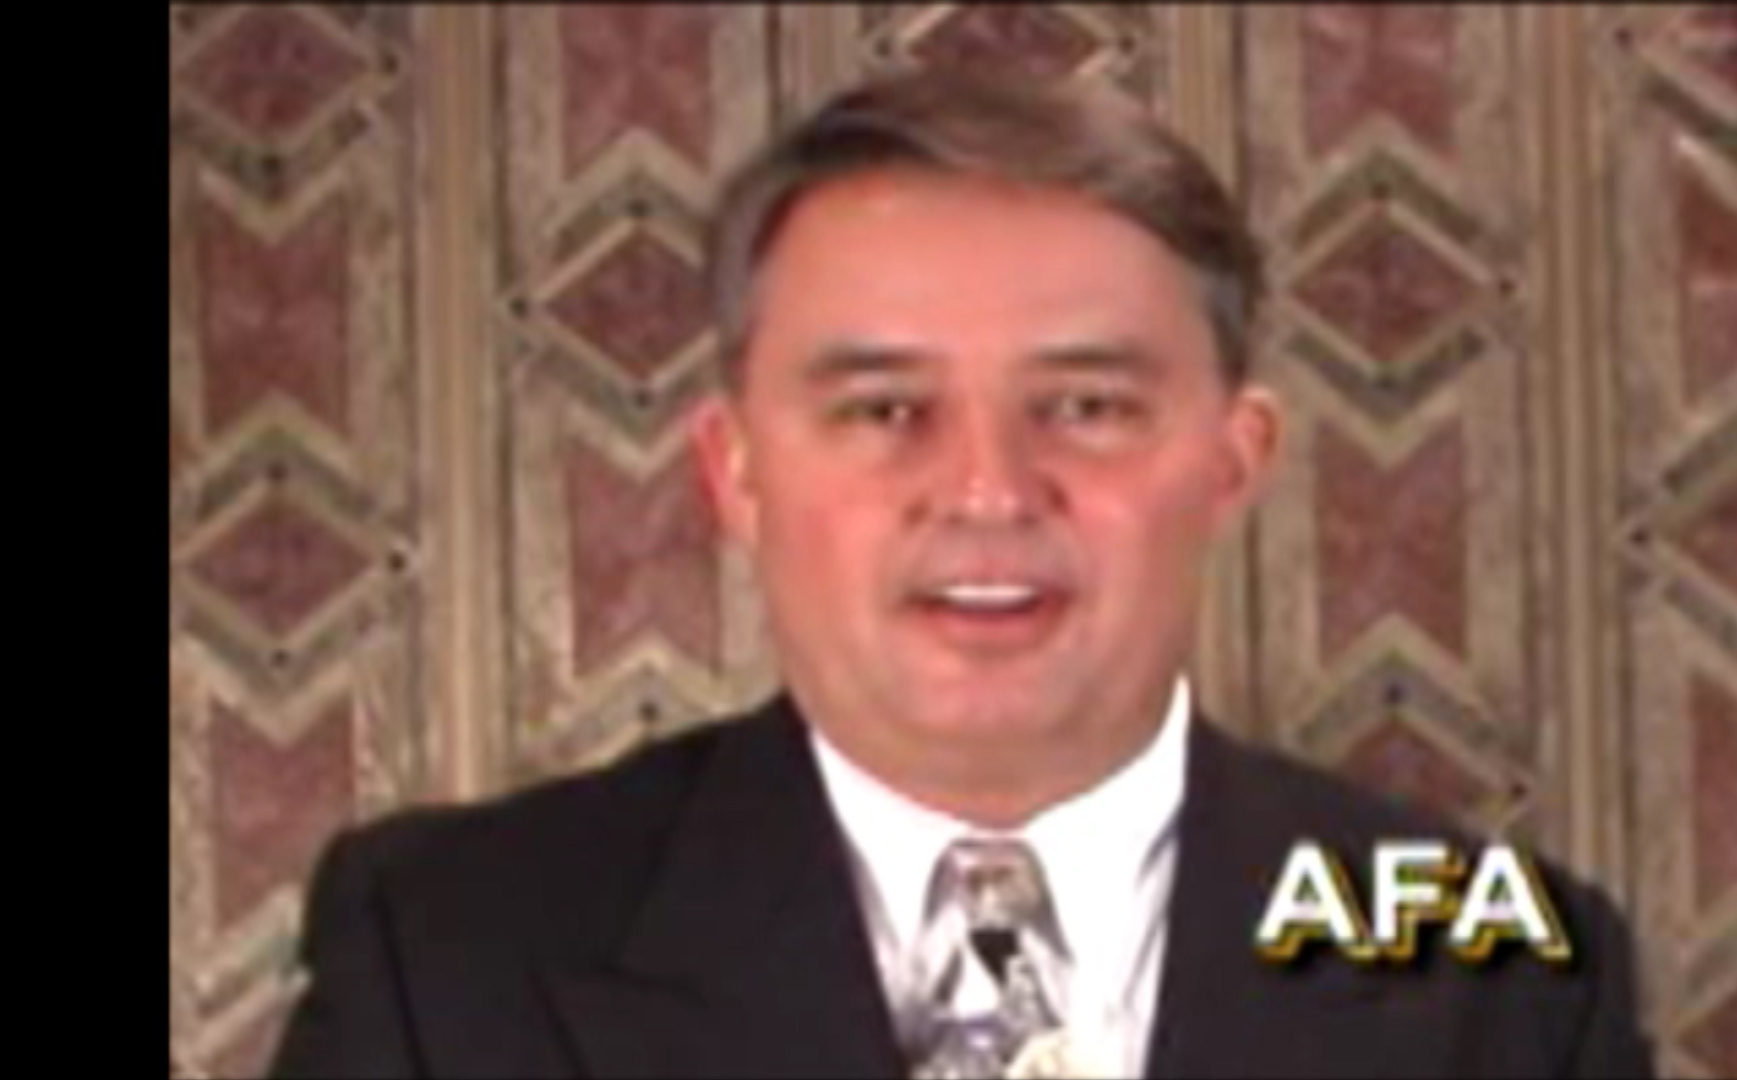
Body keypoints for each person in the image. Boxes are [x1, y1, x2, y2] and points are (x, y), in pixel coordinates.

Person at [269, 69, 1654, 1079]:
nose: (988, 490)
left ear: (1234, 462)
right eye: (885, 411)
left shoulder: (1496, 963)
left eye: (1087, 407)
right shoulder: (452, 940)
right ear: (735, 473)